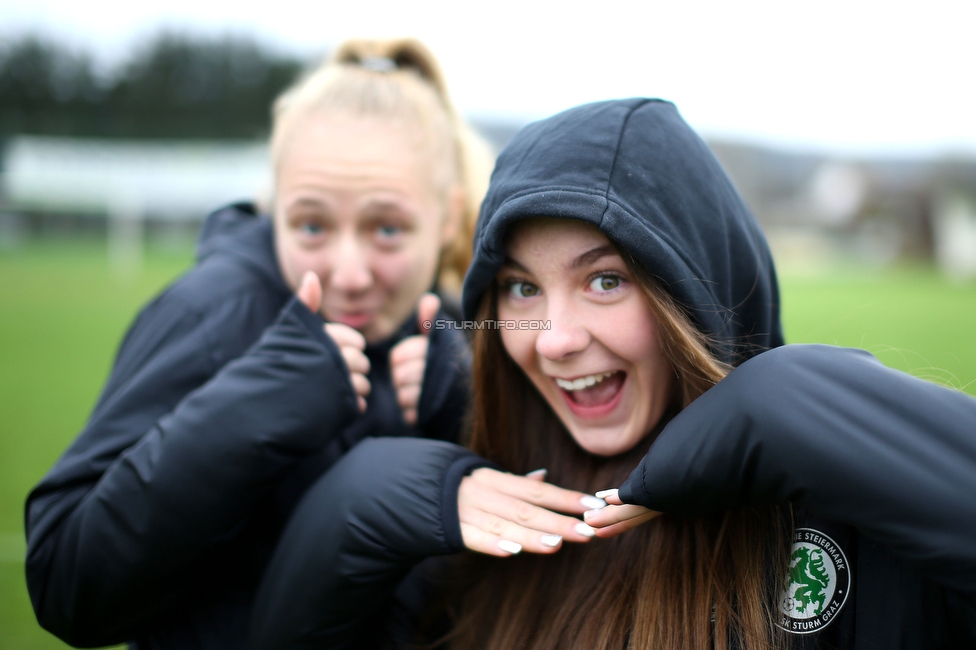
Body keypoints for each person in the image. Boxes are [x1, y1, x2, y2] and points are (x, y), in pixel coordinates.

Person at [247, 98, 976, 650]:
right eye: (522, 289)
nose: (555, 341)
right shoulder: (480, 532)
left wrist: (789, 404)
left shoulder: (840, 509)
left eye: (605, 281)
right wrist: (351, 508)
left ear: (698, 294)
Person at [24, 38, 493, 649]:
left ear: (448, 218)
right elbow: (66, 583)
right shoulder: (216, 313)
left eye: (387, 229)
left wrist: (467, 401)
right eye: (311, 225)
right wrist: (252, 405)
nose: (348, 272)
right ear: (275, 209)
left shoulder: (457, 323)